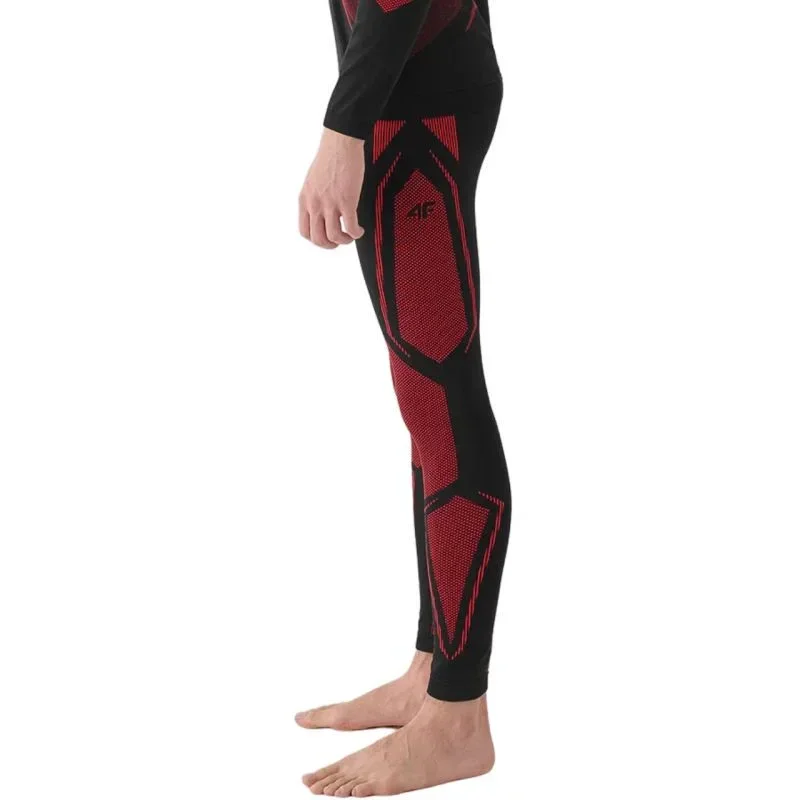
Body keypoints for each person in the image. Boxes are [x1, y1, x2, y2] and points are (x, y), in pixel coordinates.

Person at [296, 1, 511, 795]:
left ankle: (459, 716)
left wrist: (343, 127)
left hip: (417, 110)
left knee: (444, 403)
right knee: (425, 406)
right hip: (411, 93)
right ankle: (433, 670)